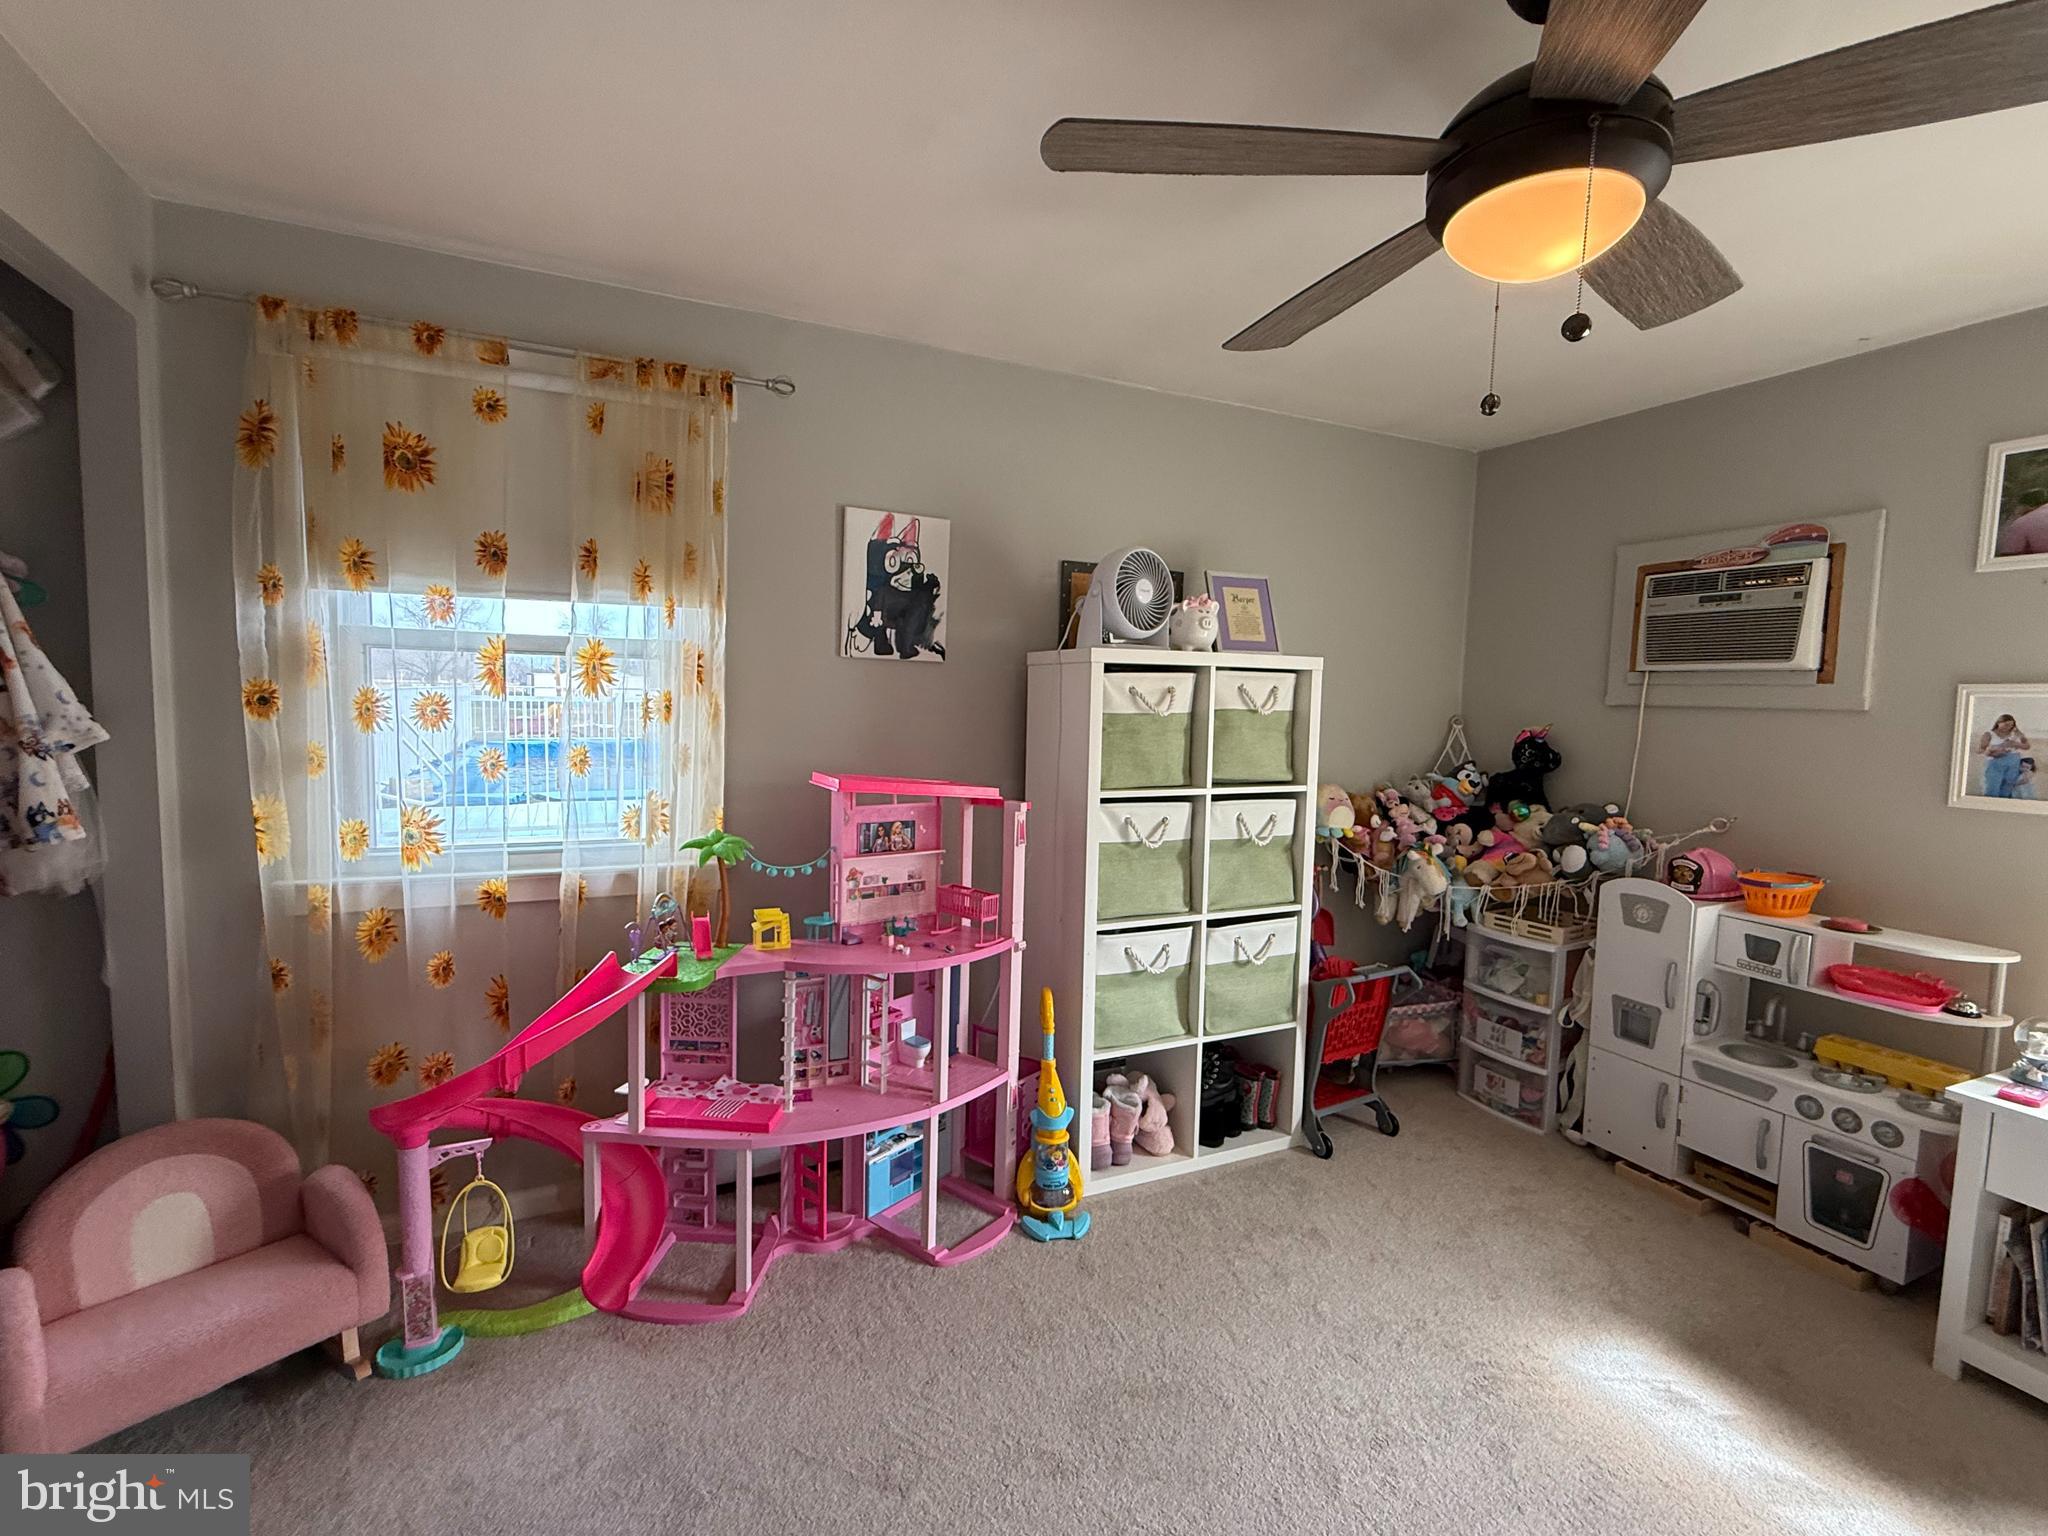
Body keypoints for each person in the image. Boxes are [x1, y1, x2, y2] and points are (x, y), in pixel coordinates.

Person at [1977, 713, 2033, 797]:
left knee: (2008, 786)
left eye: (2011, 725)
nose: (2008, 727)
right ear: (1999, 722)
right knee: (1992, 787)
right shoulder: (1989, 734)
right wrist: (1993, 751)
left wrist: (2015, 744)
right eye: (2006, 724)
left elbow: (2027, 746)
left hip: (2013, 762)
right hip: (1995, 763)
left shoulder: (2016, 734)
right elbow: (1980, 750)